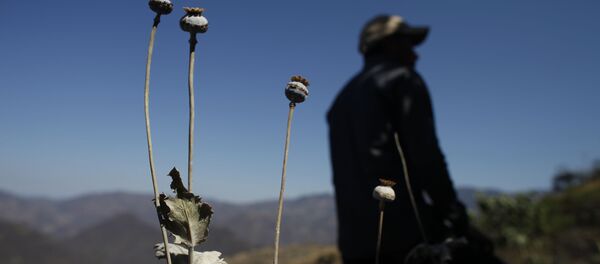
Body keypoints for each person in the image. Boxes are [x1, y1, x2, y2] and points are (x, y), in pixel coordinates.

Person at [327, 15, 483, 264]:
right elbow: (426, 153)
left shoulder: (340, 101)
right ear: (389, 43)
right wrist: (453, 214)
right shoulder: (403, 80)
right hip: (407, 238)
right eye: (408, 45)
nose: (416, 55)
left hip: (355, 243)